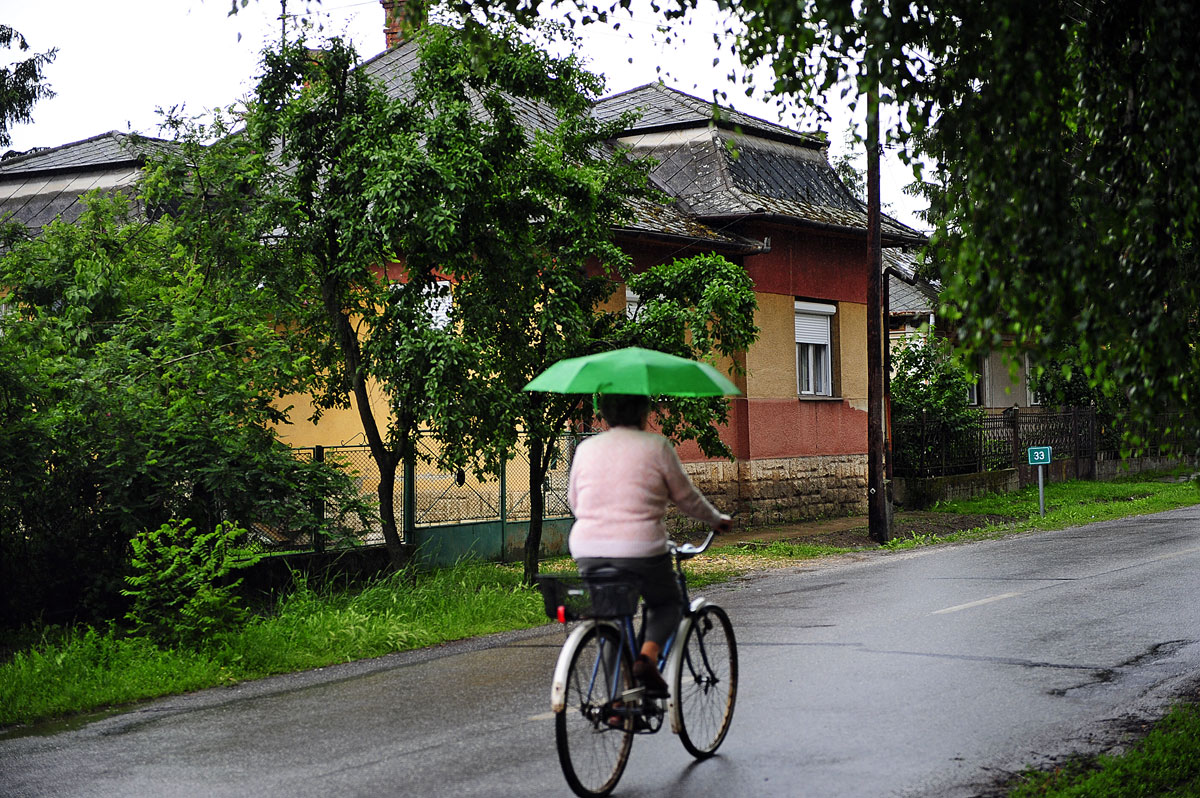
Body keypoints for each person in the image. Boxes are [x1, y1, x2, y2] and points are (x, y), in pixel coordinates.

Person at [567, 393, 732, 696]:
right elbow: (686, 498)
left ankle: (616, 704)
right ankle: (647, 658)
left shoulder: (585, 448)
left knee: (609, 618)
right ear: (644, 413)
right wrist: (715, 519)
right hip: (640, 549)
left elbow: (575, 502)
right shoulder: (657, 447)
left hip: (587, 549)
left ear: (604, 415)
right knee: (667, 602)